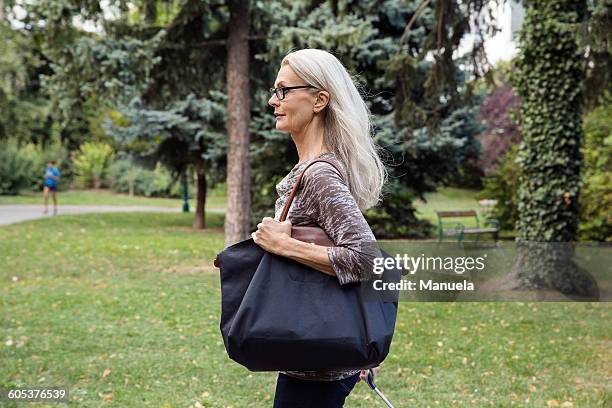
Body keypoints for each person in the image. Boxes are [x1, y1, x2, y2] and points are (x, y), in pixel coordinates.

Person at [251, 49, 387, 408]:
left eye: (283, 91)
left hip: (317, 365)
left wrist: (284, 246)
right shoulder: (314, 169)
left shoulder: (320, 175)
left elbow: (366, 259)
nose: (272, 100)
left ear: (319, 99)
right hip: (312, 354)